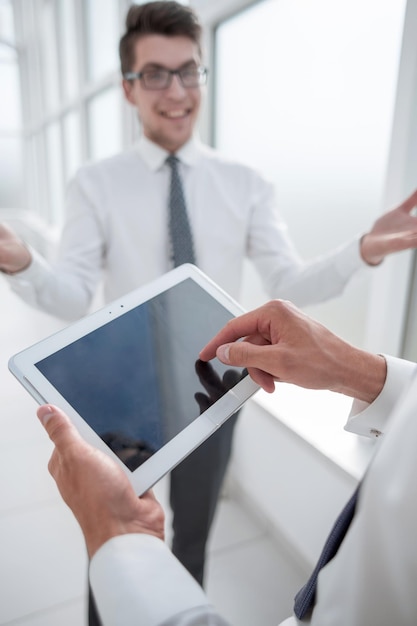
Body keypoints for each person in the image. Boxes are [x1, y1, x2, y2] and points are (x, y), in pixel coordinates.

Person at [1, 0, 417, 594]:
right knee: (114, 538)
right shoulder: (93, 183)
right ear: (128, 88)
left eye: (188, 70)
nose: (176, 90)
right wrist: (23, 263)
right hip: (124, 389)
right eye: (155, 74)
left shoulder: (245, 183)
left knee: (191, 536)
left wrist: (363, 249)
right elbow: (71, 295)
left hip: (212, 386)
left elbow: (290, 285)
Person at [37, 298, 417, 625]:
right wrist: (358, 369)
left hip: (211, 385)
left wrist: (116, 536)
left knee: (188, 526)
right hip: (130, 376)